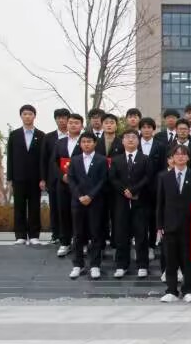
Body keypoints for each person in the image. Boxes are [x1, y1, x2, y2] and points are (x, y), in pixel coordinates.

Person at [156, 145, 191, 302]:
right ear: (172, 158)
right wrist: (159, 225)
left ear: (188, 158)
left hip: (189, 224)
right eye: (177, 154)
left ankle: (188, 290)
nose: (180, 157)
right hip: (169, 225)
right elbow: (160, 203)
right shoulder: (164, 177)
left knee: (188, 260)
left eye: (183, 154)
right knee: (170, 260)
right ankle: (171, 290)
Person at [109, 130, 152, 280]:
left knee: (141, 234)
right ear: (122, 141)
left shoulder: (145, 159)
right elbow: (112, 178)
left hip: (140, 201)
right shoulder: (116, 160)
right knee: (121, 234)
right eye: (127, 137)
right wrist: (124, 191)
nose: (130, 140)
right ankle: (122, 265)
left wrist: (134, 190)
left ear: (138, 141)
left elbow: (148, 177)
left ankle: (142, 265)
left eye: (134, 137)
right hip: (121, 202)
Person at [68, 133, 108, 280]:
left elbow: (103, 180)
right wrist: (80, 196)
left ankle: (95, 265)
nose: (86, 144)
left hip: (95, 202)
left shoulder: (101, 160)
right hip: (78, 202)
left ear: (95, 143)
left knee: (96, 234)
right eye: (83, 142)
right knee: (78, 234)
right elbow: (71, 179)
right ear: (80, 144)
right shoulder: (75, 160)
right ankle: (78, 264)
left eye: (89, 141)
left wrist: (90, 196)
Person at [6, 104, 46, 245]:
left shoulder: (41, 135)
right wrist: (9, 179)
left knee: (35, 206)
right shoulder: (14, 135)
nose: (27, 116)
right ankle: (20, 236)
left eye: (30, 114)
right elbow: (10, 158)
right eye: (25, 114)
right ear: (21, 116)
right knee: (19, 207)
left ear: (34, 116)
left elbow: (43, 159)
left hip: (35, 178)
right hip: (18, 177)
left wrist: (43, 178)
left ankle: (34, 235)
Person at [51, 113, 84, 257]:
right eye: (71, 122)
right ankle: (65, 242)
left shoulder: (86, 141)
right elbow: (53, 162)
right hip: (63, 184)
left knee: (80, 214)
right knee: (63, 212)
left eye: (76, 123)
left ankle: (81, 243)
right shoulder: (60, 142)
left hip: (80, 184)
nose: (73, 125)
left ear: (82, 126)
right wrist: (62, 176)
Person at [40, 108, 70, 244]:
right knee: (55, 207)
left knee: (70, 208)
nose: (61, 120)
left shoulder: (76, 137)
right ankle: (56, 234)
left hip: (71, 178)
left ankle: (71, 235)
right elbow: (44, 159)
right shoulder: (48, 137)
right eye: (59, 118)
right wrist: (43, 178)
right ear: (55, 120)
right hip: (54, 178)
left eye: (64, 118)